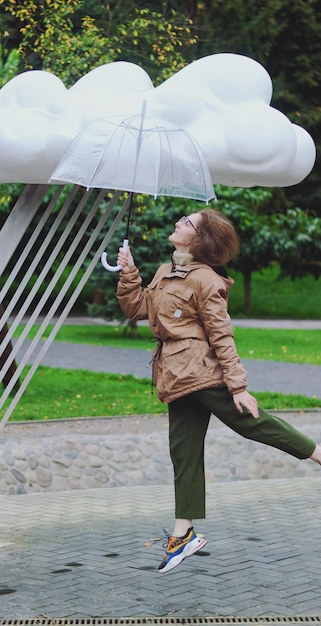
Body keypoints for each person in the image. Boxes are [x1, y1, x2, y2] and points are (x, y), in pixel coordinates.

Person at [116, 208, 321, 574]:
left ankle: (319, 454)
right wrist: (129, 272)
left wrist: (238, 385)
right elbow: (137, 309)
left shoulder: (206, 281)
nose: (178, 222)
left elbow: (221, 334)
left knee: (250, 422)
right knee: (183, 452)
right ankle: (184, 534)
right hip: (176, 376)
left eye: (187, 222)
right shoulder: (166, 272)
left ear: (200, 239)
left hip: (202, 371)